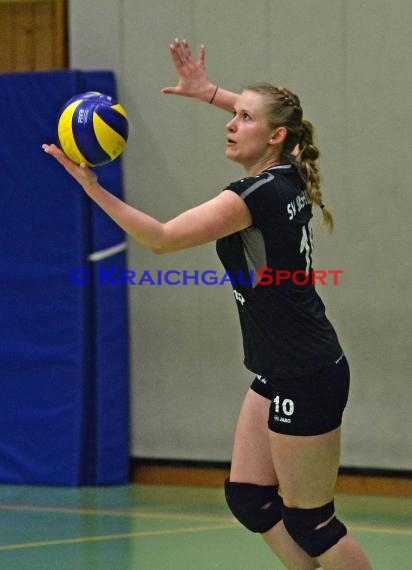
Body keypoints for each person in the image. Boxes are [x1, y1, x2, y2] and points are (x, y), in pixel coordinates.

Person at [43, 39, 372, 570]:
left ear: (275, 135)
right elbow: (279, 121)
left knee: (311, 521)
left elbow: (162, 238)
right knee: (249, 496)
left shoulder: (253, 197)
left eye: (243, 117)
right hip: (279, 367)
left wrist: (90, 186)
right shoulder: (286, 172)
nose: (231, 122)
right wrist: (209, 92)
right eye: (233, 113)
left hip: (306, 374)